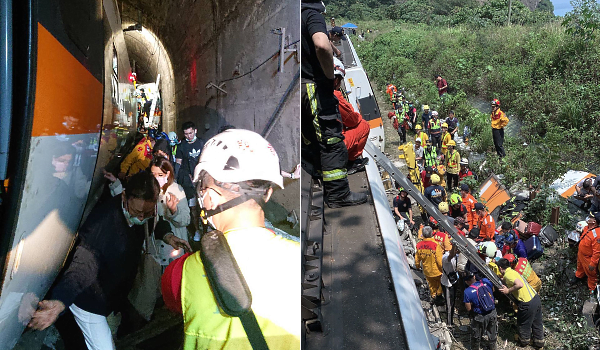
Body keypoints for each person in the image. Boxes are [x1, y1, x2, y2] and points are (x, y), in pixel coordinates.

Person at [161, 129, 300, 348]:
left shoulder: (179, 273)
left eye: (202, 191)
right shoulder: (300, 258)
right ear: (268, 193)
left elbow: (174, 302)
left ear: (211, 198)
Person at [27, 172, 185, 349]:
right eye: (137, 212)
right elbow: (83, 266)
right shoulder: (102, 223)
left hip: (110, 295)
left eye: (147, 213)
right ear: (124, 195)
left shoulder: (144, 209)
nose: (141, 218)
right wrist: (59, 302)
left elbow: (154, 222)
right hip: (89, 299)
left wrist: (168, 236)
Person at [301, 0, 367, 208]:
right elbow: (320, 43)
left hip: (300, 85)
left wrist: (336, 53)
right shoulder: (311, 14)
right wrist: (329, 77)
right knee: (331, 139)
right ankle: (338, 194)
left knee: (313, 136)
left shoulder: (295, 15)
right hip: (315, 86)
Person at [332, 58, 370, 175]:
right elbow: (352, 120)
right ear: (336, 80)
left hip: (316, 144)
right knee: (364, 126)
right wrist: (358, 116)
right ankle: (351, 162)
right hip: (333, 147)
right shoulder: (334, 95)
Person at [497, 258, 544, 348]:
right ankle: (539, 343)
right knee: (537, 322)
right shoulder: (513, 271)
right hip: (535, 298)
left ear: (500, 268)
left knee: (523, 323)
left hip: (527, 303)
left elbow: (519, 284)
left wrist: (508, 290)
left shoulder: (508, 275)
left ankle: (524, 341)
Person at [175, 121, 205, 241]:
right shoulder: (182, 146)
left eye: (191, 133)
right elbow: (178, 162)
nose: (189, 136)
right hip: (189, 183)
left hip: (203, 181)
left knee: (204, 206)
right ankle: (197, 230)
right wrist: (175, 179)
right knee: (193, 207)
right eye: (186, 134)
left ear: (195, 131)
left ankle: (206, 229)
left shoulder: (202, 143)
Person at [463, 270, 498, 350]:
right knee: (492, 332)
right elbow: (493, 290)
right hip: (492, 312)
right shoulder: (485, 281)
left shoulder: (467, 292)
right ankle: (493, 347)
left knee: (476, 334)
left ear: (466, 281)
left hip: (480, 316)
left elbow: (468, 308)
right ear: (474, 276)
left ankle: (475, 348)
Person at [570, 213, 600, 293]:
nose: (588, 218)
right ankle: (579, 276)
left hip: (588, 258)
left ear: (594, 221)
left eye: (590, 217)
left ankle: (592, 289)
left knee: (591, 275)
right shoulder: (587, 228)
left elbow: (597, 251)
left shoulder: (597, 235)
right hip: (581, 254)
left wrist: (593, 263)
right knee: (580, 266)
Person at [416, 226, 444, 305]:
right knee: (440, 283)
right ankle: (439, 295)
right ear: (431, 233)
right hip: (437, 270)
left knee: (431, 285)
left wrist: (418, 266)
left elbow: (417, 259)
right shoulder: (436, 244)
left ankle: (433, 295)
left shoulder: (419, 245)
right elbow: (439, 260)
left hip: (427, 270)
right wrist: (443, 268)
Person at [441, 244, 459, 326]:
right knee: (449, 304)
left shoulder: (457, 256)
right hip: (447, 283)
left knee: (453, 301)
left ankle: (451, 318)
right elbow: (450, 256)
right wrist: (454, 248)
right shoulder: (445, 257)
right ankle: (449, 323)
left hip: (454, 281)